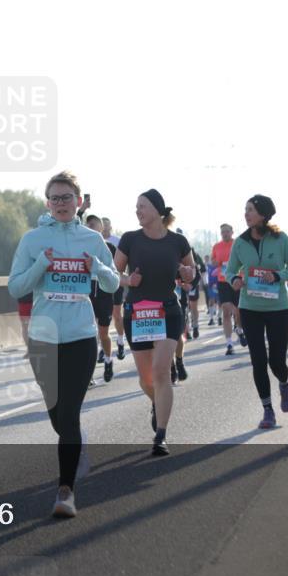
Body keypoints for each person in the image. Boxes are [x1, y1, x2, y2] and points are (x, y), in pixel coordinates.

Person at [8, 171, 119, 517]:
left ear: (79, 201)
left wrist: (97, 266)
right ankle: (75, 442)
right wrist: (42, 263)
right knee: (58, 416)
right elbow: (15, 287)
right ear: (47, 203)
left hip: (81, 336)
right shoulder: (32, 240)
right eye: (54, 198)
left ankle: (65, 491)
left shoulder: (92, 238)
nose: (60, 204)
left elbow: (114, 283)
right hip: (43, 339)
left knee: (68, 415)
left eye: (66, 197)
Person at [113, 189, 195, 456]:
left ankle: (161, 435)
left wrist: (186, 273)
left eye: (143, 206)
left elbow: (191, 274)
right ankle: (157, 403)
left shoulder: (178, 241)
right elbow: (112, 274)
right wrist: (128, 281)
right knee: (146, 379)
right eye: (136, 207)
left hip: (168, 311)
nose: (138, 211)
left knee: (161, 372)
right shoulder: (129, 239)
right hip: (138, 314)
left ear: (158, 211)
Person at [225, 194, 288, 429]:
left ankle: (285, 382)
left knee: (276, 362)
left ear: (263, 213)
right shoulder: (240, 242)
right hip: (250, 308)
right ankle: (268, 410)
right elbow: (229, 271)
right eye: (245, 209)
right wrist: (235, 280)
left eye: (250, 210)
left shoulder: (280, 239)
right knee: (258, 360)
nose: (246, 214)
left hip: (278, 307)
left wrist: (278, 275)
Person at [85, 215, 117, 383]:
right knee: (89, 335)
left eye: (93, 226)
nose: (90, 228)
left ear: (101, 229)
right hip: (87, 292)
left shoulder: (110, 248)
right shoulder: (81, 246)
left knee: (103, 333)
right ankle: (88, 375)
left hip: (104, 294)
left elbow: (116, 274)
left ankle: (108, 360)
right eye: (87, 225)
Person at [211, 223, 247, 355]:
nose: (225, 234)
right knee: (226, 311)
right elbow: (213, 261)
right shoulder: (217, 246)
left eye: (227, 231)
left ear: (232, 232)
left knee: (238, 311)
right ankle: (229, 344)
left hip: (237, 280)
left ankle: (239, 329)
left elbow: (245, 260)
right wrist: (216, 263)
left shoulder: (238, 244)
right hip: (223, 280)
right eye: (223, 232)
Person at [102, 217, 128, 359]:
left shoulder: (117, 241)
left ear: (110, 226)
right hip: (101, 283)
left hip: (116, 280)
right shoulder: (96, 240)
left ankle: (120, 340)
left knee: (117, 314)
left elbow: (124, 262)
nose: (105, 228)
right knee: (101, 319)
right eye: (103, 225)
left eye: (107, 225)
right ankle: (102, 348)